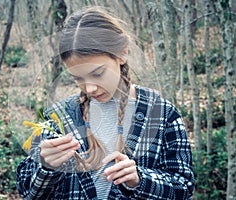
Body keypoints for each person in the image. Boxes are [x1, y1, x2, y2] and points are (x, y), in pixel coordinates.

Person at [16, 6, 194, 200]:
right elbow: (29, 193)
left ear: (122, 54)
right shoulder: (57, 118)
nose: (89, 88)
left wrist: (140, 180)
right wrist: (46, 166)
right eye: (78, 78)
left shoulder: (161, 113)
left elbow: (183, 188)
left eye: (98, 73)